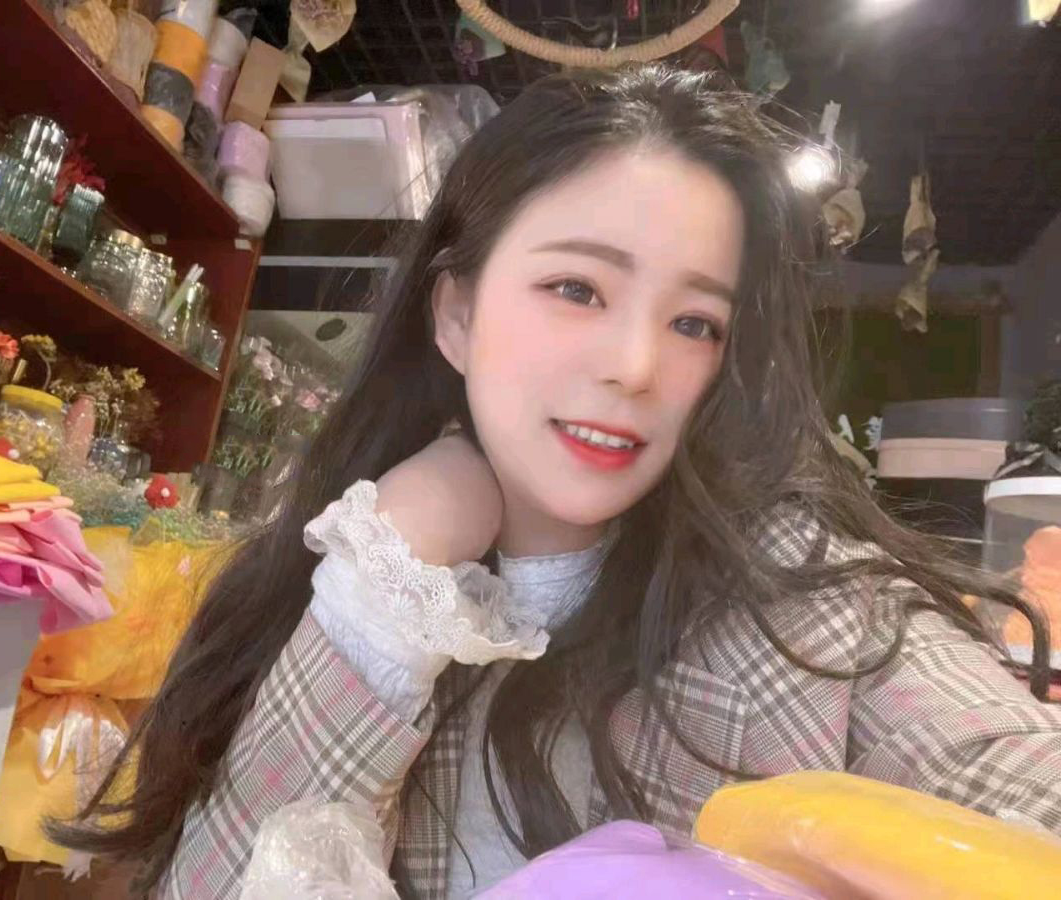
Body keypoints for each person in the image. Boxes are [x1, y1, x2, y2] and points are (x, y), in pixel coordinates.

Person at [53, 65, 1061, 898]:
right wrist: (395, 565)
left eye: (695, 322)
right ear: (456, 314)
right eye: (576, 288)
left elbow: (1012, 778)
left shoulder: (806, 605)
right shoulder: (332, 576)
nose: (637, 366)